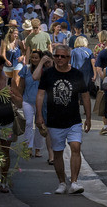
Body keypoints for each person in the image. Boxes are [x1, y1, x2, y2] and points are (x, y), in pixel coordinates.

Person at [35, 42, 92, 195]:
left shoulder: (77, 74)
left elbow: (85, 96)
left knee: (75, 147)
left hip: (73, 119)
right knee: (58, 152)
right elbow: (40, 94)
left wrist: (88, 117)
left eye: (62, 56)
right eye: (57, 56)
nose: (59, 59)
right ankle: (61, 182)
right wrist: (39, 115)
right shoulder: (48, 73)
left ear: (69, 58)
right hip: (54, 120)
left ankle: (74, 182)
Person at [0, 97, 24, 194]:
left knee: (5, 152)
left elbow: (19, 103)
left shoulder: (10, 83)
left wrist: (12, 94)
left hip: (8, 123)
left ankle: (3, 181)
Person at [17, 49, 49, 161]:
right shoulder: (25, 69)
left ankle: (38, 148)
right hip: (27, 100)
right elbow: (20, 85)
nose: (34, 59)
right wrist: (19, 99)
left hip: (41, 102)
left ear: (41, 59)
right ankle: (28, 147)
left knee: (39, 124)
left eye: (36, 58)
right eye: (33, 57)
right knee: (29, 123)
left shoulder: (44, 71)